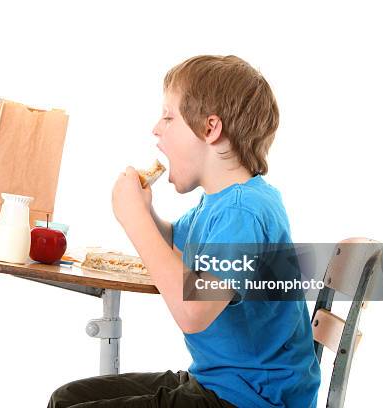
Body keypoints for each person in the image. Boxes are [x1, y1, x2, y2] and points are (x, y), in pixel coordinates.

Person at [48, 55, 321, 408]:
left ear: (210, 129)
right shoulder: (220, 205)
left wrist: (135, 219)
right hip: (224, 382)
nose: (156, 129)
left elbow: (193, 311)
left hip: (251, 398)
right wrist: (147, 213)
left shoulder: (244, 212)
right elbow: (175, 248)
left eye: (168, 117)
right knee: (67, 399)